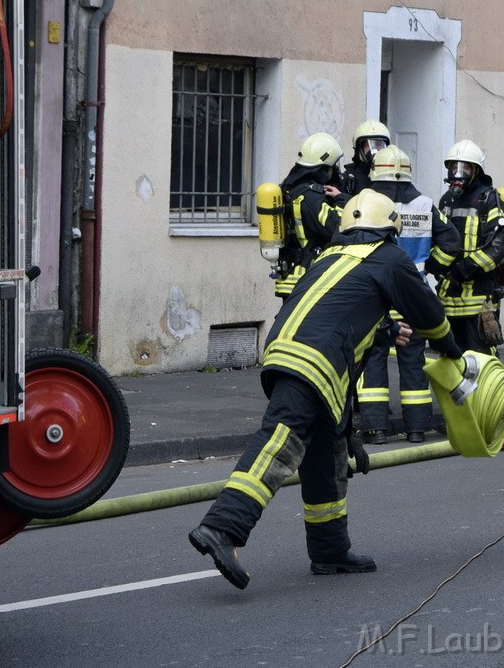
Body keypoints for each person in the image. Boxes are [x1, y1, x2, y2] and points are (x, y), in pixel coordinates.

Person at [189, 189, 466, 590]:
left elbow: (344, 319)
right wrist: (453, 352)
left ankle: (329, 551)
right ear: (389, 230)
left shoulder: (329, 259)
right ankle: (223, 527)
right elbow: (429, 314)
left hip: (290, 351)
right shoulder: (388, 257)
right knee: (281, 440)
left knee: (325, 451)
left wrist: (384, 336)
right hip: (313, 360)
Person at [357, 145, 461, 445]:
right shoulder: (425, 205)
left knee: (373, 359)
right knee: (413, 362)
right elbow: (451, 241)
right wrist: (429, 267)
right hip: (414, 298)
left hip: (377, 299)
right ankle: (416, 429)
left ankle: (376, 430)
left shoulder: (368, 204)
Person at [427, 139, 504, 355]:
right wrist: (435, 266)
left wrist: (464, 269)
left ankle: (486, 391)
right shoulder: (446, 200)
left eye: (464, 168)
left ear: (475, 170)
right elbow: (437, 238)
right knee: (451, 356)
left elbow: (498, 247)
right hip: (450, 294)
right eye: (453, 167)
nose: (458, 173)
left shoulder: (490, 199)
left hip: (480, 296)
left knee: (481, 358)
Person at [274, 132, 350, 299]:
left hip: (290, 277)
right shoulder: (311, 198)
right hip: (307, 278)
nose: (334, 172)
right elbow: (335, 228)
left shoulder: (289, 188)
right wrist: (341, 199)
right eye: (332, 168)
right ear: (323, 168)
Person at [340, 119, 390, 195]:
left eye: (379, 144)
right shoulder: (349, 179)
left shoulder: (392, 175)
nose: (375, 150)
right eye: (368, 145)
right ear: (359, 149)